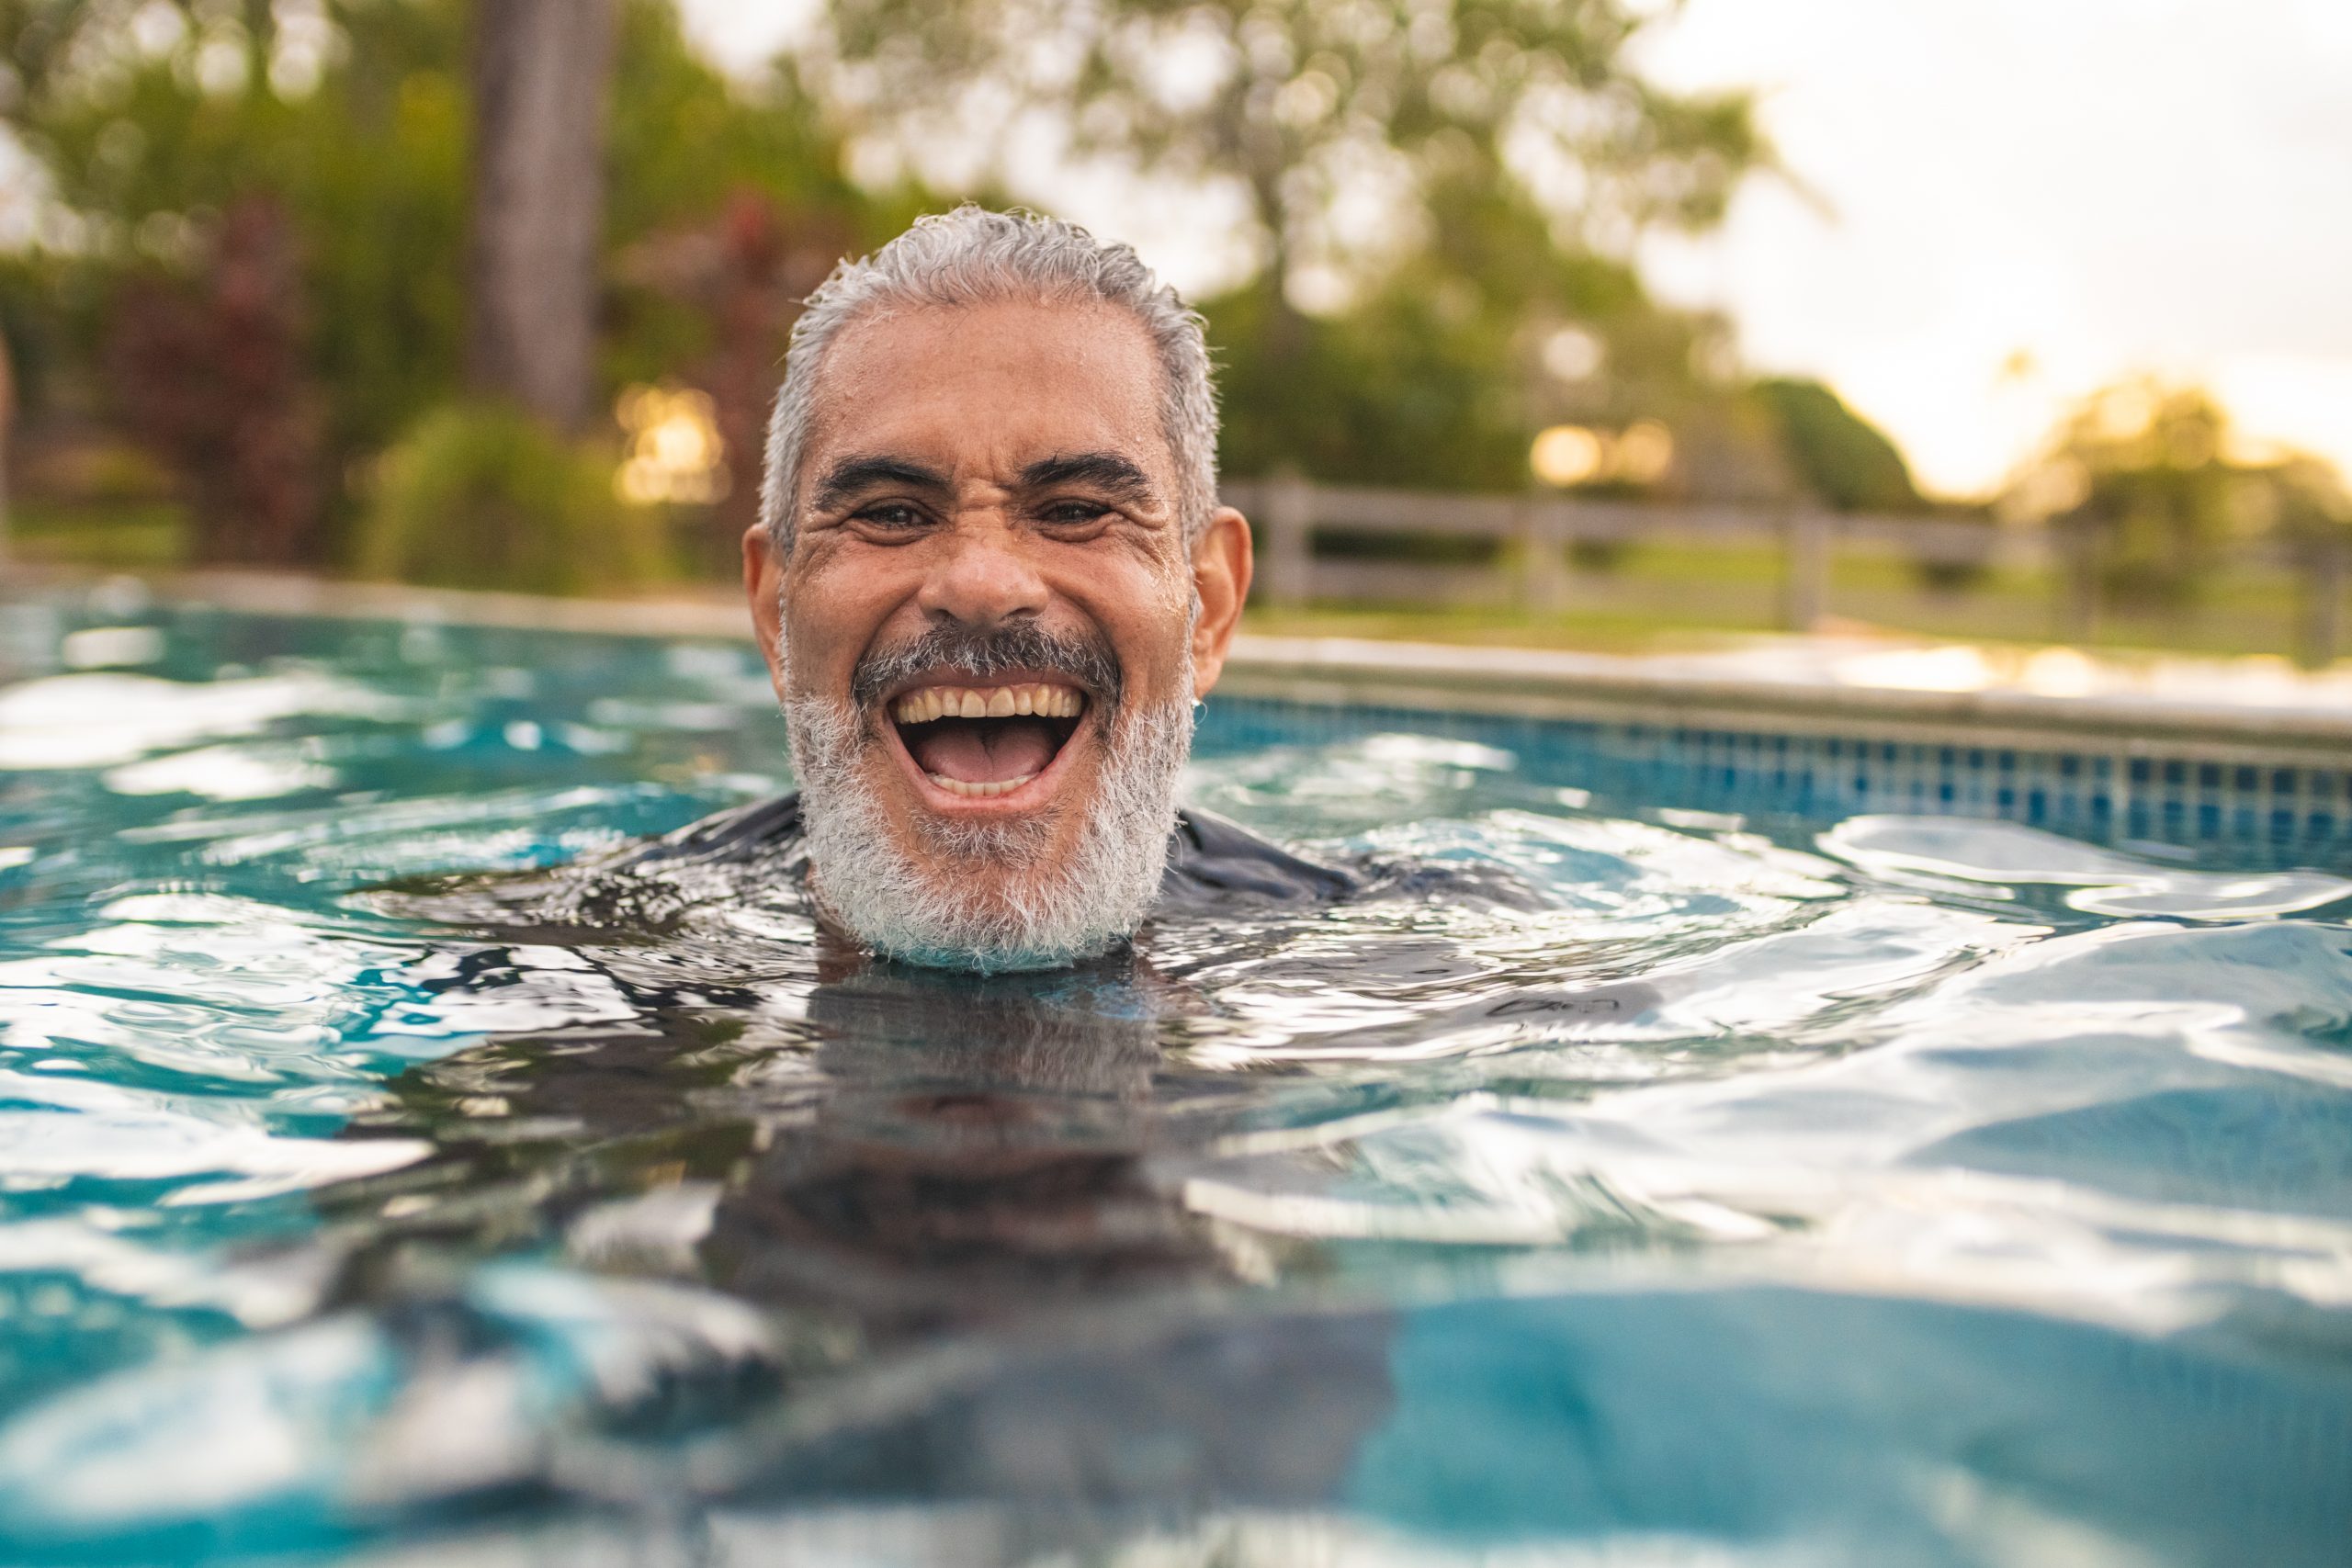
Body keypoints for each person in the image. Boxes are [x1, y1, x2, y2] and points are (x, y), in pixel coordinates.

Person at [703, 204, 1351, 972]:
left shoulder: (1388, 972)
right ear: (776, 617)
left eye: (1076, 511)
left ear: (1207, 607)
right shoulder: (595, 965)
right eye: (892, 514)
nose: (982, 584)